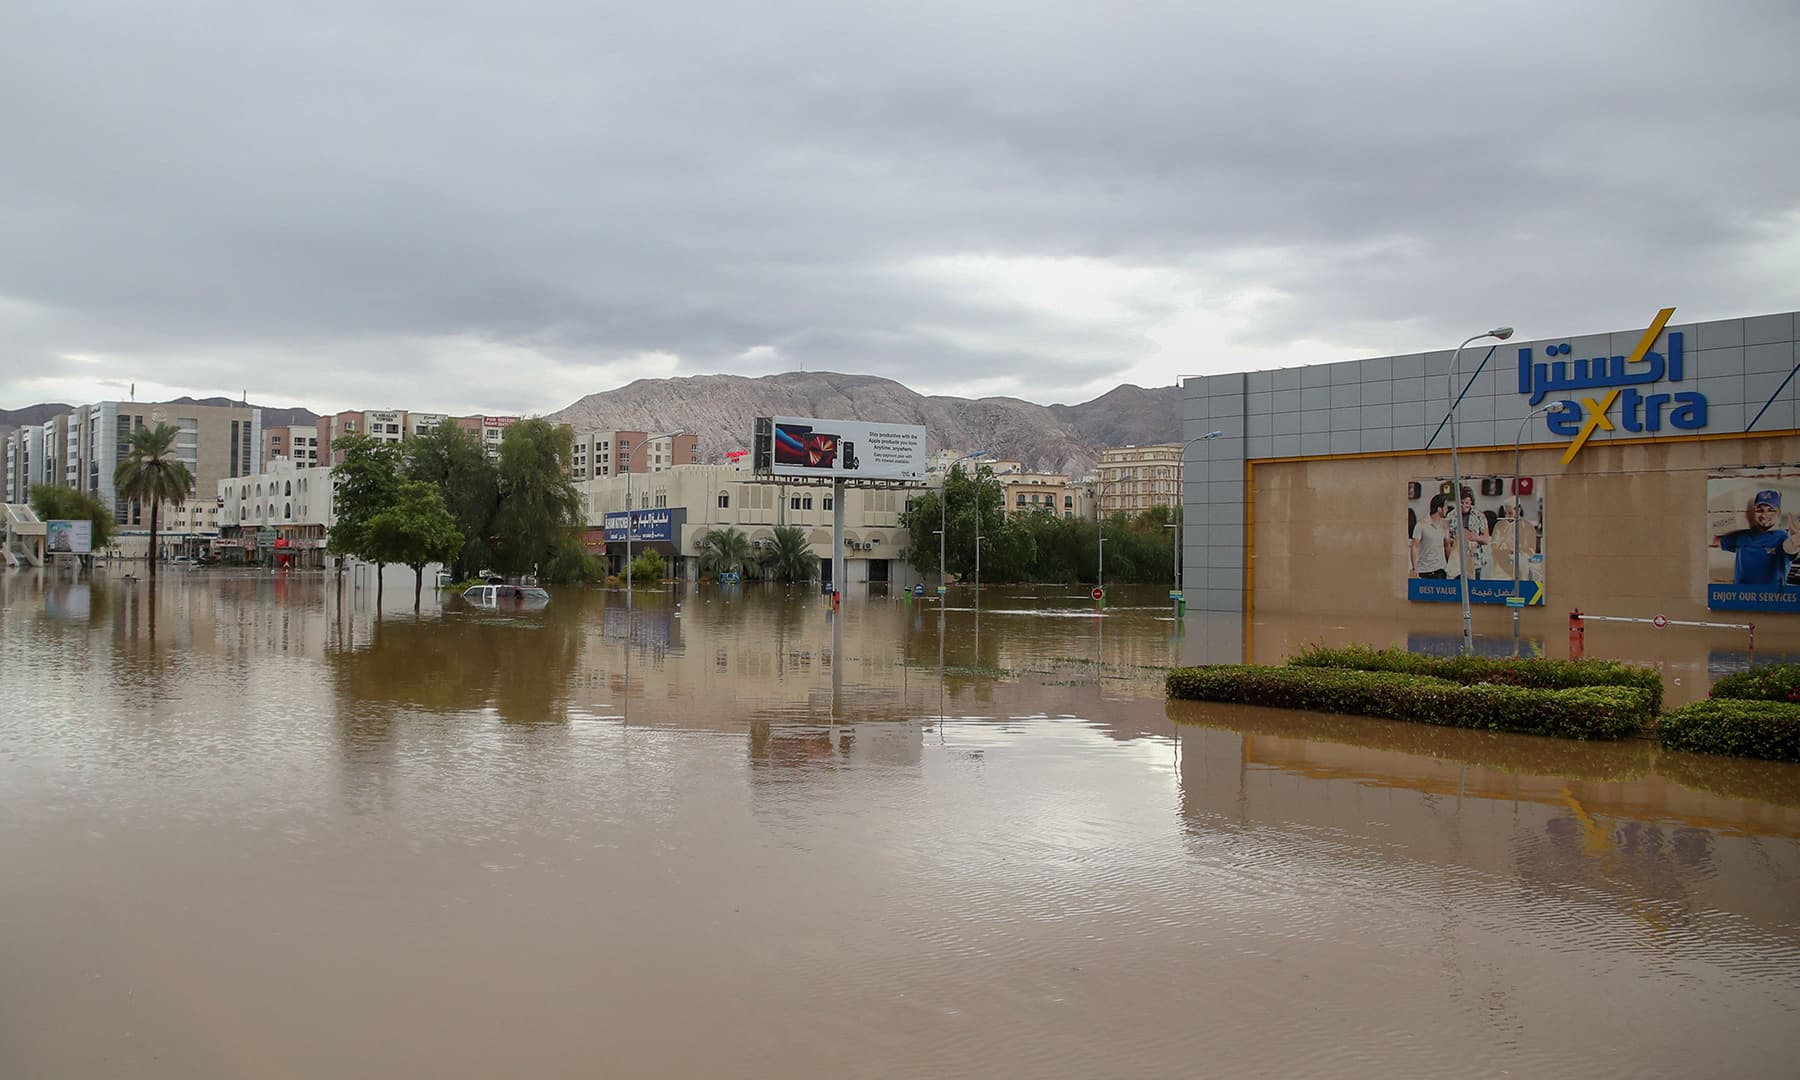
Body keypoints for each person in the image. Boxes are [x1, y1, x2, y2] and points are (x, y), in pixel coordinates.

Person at [1714, 489, 1800, 586]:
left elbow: (1789, 548)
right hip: (1742, 596)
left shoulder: (1782, 537)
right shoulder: (1742, 536)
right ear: (1754, 512)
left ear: (1779, 512)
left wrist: (1795, 540)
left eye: (1770, 510)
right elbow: (1715, 540)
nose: (1764, 515)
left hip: (1772, 598)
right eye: (1760, 510)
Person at [1448, 487, 1492, 580]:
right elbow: (1446, 539)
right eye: (1461, 503)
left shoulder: (1479, 516)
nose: (1464, 506)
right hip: (1456, 562)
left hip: (1475, 561)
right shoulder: (1450, 516)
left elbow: (1486, 539)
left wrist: (1476, 537)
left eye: (1467, 503)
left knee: (1474, 590)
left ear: (1471, 502)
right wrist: (1456, 540)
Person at [1411, 493, 1451, 578]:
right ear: (1439, 509)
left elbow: (1447, 546)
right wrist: (1415, 568)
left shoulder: (1445, 524)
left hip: (1441, 570)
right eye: (1445, 507)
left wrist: (1451, 565)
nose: (1447, 509)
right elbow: (1415, 546)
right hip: (1424, 570)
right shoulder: (1421, 524)